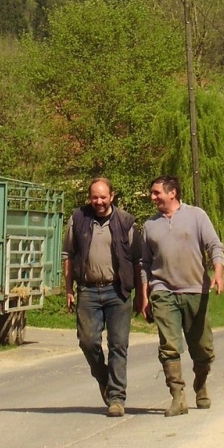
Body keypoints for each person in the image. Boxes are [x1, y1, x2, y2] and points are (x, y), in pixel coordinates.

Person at [135, 175, 224, 416]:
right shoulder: (150, 225)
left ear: (172, 192)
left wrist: (218, 272)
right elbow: (144, 263)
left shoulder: (197, 216)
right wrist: (144, 295)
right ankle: (178, 397)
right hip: (163, 291)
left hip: (196, 289)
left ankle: (201, 383)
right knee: (169, 346)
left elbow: (215, 246)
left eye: (156, 193)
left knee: (203, 348)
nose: (152, 197)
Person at [62, 177, 142, 417]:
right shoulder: (77, 220)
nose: (98, 201)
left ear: (112, 196)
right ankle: (104, 378)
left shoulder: (126, 222)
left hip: (118, 291)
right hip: (87, 290)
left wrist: (140, 294)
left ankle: (116, 397)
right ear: (90, 197)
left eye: (103, 197)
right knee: (88, 341)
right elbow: (68, 255)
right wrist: (68, 289)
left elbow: (138, 261)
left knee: (119, 345)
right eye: (94, 197)